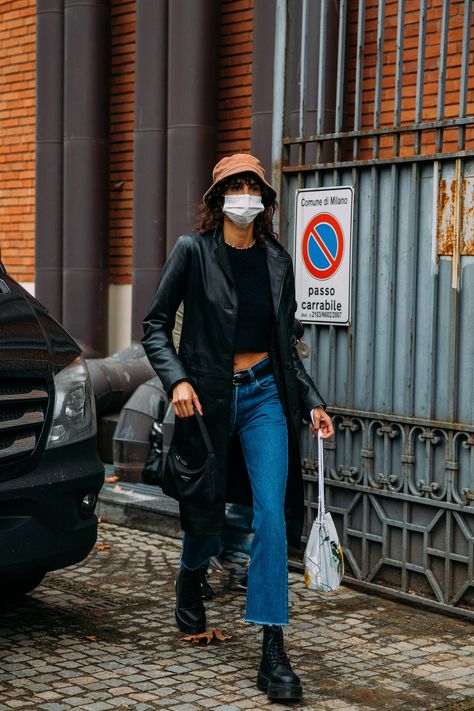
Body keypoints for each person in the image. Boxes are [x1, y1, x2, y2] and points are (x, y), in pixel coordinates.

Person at [142, 153, 334, 702]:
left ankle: (273, 649)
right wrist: (177, 379)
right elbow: (155, 325)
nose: (246, 194)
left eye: (254, 186)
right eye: (236, 185)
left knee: (270, 514)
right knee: (203, 506)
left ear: (265, 202)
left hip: (265, 395)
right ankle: (191, 575)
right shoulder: (192, 252)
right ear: (218, 197)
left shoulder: (276, 260)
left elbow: (287, 346)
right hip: (204, 397)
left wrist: (312, 401)